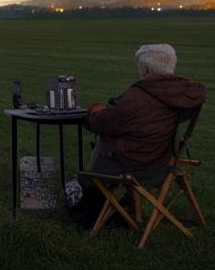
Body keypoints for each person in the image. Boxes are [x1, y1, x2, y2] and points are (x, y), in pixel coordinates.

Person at [67, 43, 206, 227]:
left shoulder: (136, 98)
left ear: (146, 70)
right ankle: (125, 208)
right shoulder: (184, 93)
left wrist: (93, 111)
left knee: (104, 142)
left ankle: (95, 207)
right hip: (160, 161)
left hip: (132, 166)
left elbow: (101, 124)